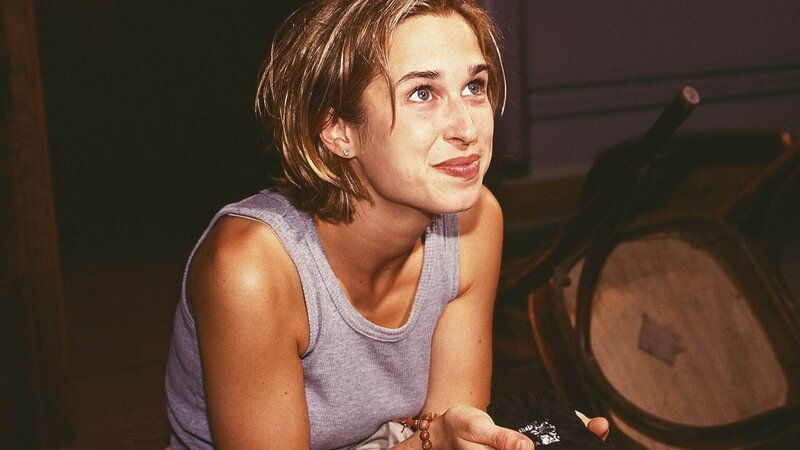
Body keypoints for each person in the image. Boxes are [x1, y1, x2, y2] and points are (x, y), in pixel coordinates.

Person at [165, 0, 609, 448]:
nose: (467, 128)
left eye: (474, 86)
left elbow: (445, 426)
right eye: (422, 93)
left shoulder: (474, 223)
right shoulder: (250, 268)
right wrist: (436, 442)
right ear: (338, 129)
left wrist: (516, 433)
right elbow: (435, 439)